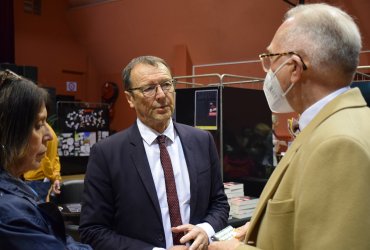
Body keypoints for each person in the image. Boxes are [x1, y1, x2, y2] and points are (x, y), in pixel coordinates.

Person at [209, 3, 370, 250]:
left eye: (270, 58)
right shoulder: (332, 125)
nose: (267, 70)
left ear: (294, 68)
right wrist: (258, 228)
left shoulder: (339, 144)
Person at [79, 56, 229, 250]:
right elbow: (93, 230)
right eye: (149, 88)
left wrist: (205, 230)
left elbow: (219, 203)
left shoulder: (201, 140)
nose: (161, 95)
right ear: (130, 98)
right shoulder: (107, 154)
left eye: (166, 84)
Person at [0, 69, 91, 249]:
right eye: (38, 125)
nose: (49, 134)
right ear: (8, 133)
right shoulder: (9, 213)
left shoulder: (17, 190)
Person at [24, 122, 62, 202]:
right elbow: (55, 156)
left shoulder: (39, 131)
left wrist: (53, 177)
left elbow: (44, 159)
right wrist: (55, 177)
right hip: (41, 179)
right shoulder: (49, 130)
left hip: (36, 180)